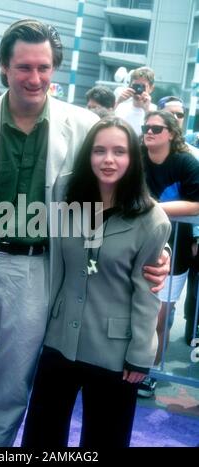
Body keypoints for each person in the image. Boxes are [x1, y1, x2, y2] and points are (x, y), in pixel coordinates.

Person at [0, 19, 170, 447]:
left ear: (54, 68)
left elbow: (108, 194)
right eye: (23, 67)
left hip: (38, 274)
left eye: (43, 67)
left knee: (13, 391)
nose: (34, 78)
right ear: (3, 67)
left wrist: (154, 245)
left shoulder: (81, 125)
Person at [21, 117, 171, 448]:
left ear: (134, 159)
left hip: (116, 353)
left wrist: (140, 354)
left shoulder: (152, 220)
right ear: (87, 154)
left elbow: (147, 293)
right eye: (99, 150)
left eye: (119, 151)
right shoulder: (64, 194)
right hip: (59, 340)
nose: (108, 160)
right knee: (40, 439)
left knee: (105, 441)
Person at [138, 110, 199, 397]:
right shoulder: (136, 156)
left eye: (156, 128)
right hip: (136, 246)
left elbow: (197, 205)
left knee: (159, 316)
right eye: (146, 127)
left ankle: (149, 371)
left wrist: (149, 208)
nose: (149, 132)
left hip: (175, 251)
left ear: (172, 133)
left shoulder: (185, 162)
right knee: (132, 311)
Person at [115, 66, 156, 136]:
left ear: (151, 88)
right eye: (136, 86)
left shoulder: (155, 110)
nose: (139, 89)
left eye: (143, 86)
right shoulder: (120, 107)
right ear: (130, 86)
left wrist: (147, 110)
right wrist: (118, 102)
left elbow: (153, 134)